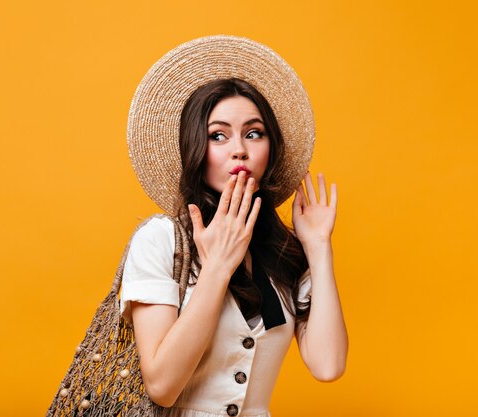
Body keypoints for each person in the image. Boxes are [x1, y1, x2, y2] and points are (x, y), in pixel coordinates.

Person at [121, 35, 348, 417]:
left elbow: (328, 366)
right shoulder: (161, 240)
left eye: (253, 133)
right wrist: (218, 267)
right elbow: (161, 386)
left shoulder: (284, 252)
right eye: (218, 135)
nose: (239, 148)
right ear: (195, 147)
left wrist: (318, 245)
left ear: (269, 148)